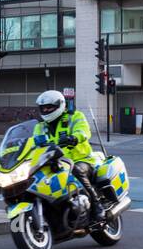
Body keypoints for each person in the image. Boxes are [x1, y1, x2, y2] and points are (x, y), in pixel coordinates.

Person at [33, 89, 104, 217]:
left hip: (81, 160)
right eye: (43, 108)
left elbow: (84, 131)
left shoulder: (75, 116)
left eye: (50, 107)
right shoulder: (40, 126)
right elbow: (33, 143)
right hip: (55, 163)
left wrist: (74, 138)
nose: (46, 111)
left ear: (60, 105)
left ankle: (96, 203)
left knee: (76, 170)